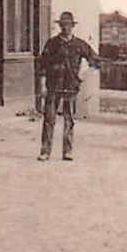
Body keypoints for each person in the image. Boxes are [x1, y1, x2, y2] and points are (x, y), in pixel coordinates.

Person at [37, 11, 101, 161]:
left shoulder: (79, 45)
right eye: (63, 25)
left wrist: (84, 75)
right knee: (49, 119)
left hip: (71, 86)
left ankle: (67, 152)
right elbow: (41, 64)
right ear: (59, 26)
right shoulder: (52, 44)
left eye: (68, 25)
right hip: (53, 86)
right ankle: (45, 152)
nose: (65, 28)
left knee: (69, 119)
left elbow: (95, 61)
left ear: (73, 26)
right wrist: (42, 85)